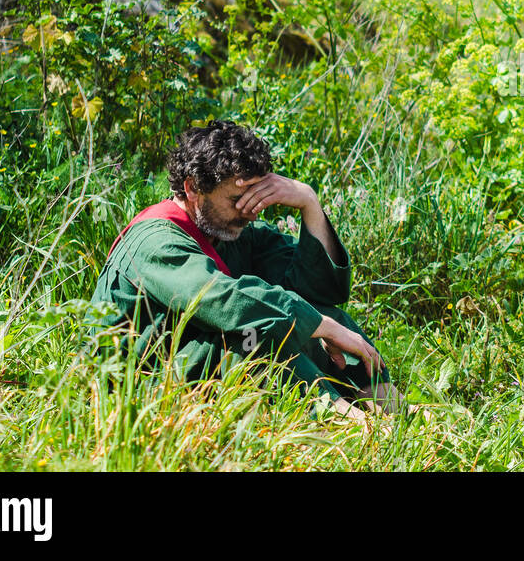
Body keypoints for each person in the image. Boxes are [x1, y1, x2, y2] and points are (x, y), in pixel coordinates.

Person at [92, 120, 405, 419]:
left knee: (314, 311)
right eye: (237, 199)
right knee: (255, 335)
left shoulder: (230, 229)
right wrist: (318, 325)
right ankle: (343, 420)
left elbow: (321, 290)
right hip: (140, 384)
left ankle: (386, 402)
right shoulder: (156, 240)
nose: (250, 212)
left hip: (191, 366)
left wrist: (310, 203)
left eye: (256, 197)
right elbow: (222, 301)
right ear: (191, 189)